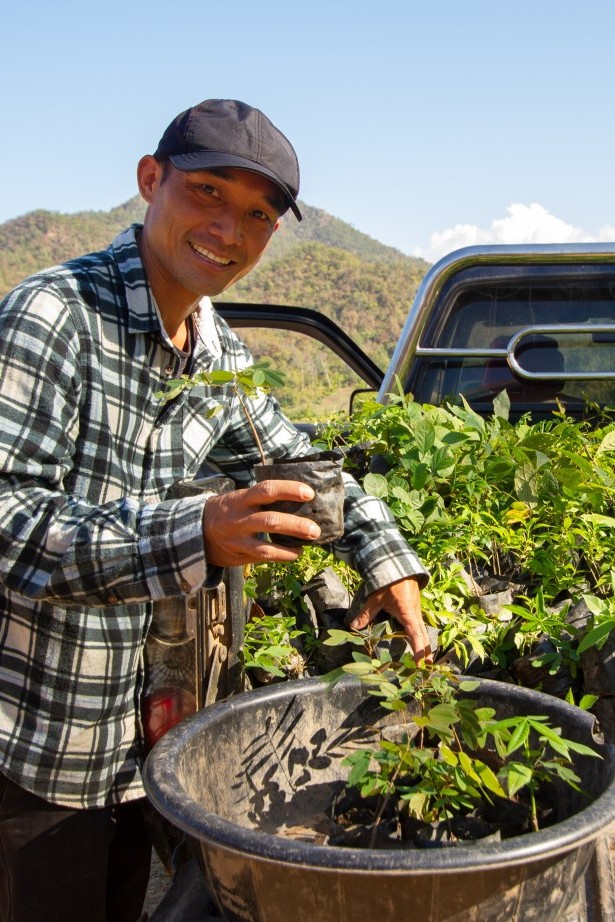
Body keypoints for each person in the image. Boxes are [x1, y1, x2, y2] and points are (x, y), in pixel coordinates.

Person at [0, 98, 430, 922]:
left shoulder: (216, 348)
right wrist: (193, 531)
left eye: (257, 216)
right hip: (41, 738)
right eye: (207, 195)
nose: (229, 231)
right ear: (150, 180)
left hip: (140, 738)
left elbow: (303, 466)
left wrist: (386, 560)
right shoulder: (52, 318)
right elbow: (10, 518)